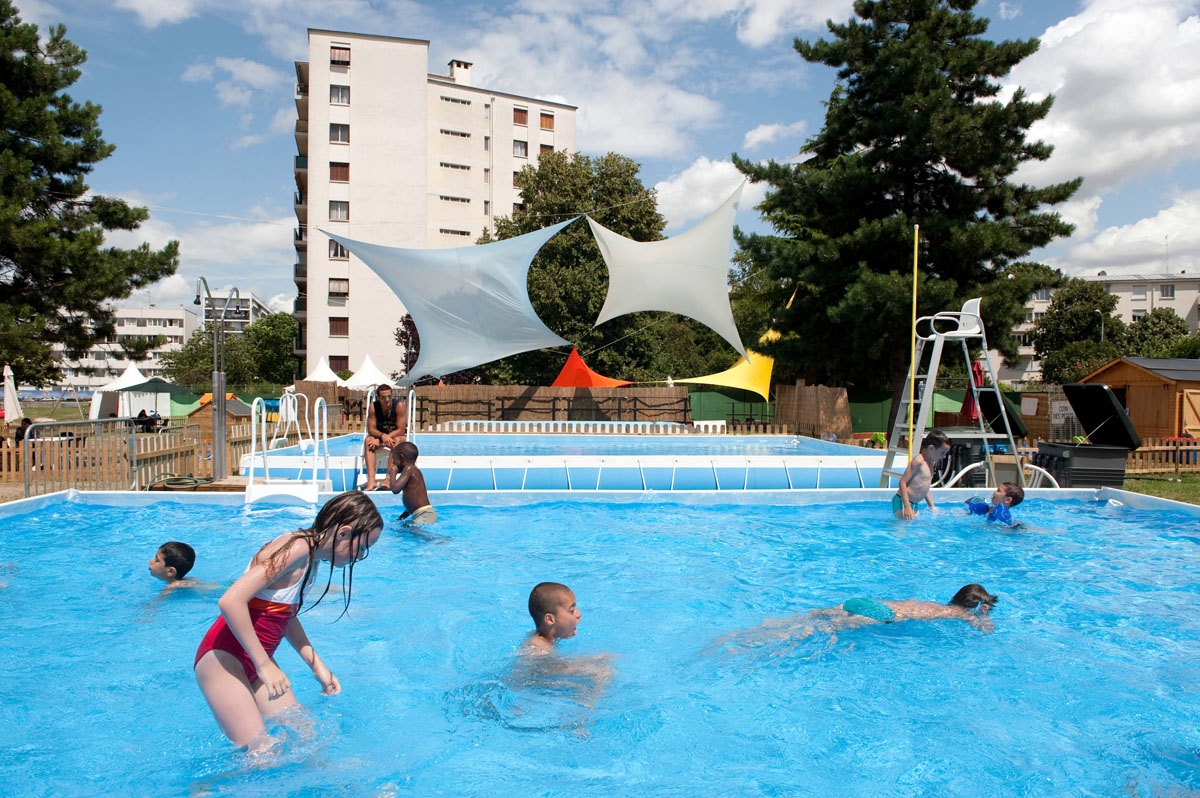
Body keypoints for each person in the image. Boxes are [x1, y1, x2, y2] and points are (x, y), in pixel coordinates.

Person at [193, 491, 384, 750]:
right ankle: (203, 790)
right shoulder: (297, 548)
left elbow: (285, 616)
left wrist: (317, 666)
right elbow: (230, 600)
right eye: (361, 548)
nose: (359, 557)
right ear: (343, 533)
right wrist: (264, 666)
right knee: (262, 752)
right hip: (224, 658)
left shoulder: (310, 556)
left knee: (307, 735)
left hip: (253, 659)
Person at [708, 583, 998, 655]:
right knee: (811, 632)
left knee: (806, 619)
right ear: (971, 605)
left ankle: (742, 633)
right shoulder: (959, 613)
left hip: (869, 601)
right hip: (882, 615)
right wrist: (983, 616)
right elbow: (986, 631)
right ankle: (742, 647)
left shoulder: (934, 602)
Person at [894, 430, 952, 519]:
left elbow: (924, 487)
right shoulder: (918, 461)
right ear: (931, 448)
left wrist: (931, 506)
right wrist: (907, 506)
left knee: (913, 530)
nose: (944, 456)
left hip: (913, 504)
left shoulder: (931, 463)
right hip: (903, 502)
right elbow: (902, 483)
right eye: (942, 452)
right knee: (902, 529)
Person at [363, 383, 406, 490]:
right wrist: (381, 437)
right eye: (383, 397)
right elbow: (371, 429)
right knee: (368, 440)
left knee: (396, 440)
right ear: (378, 397)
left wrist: (385, 437)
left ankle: (388, 478)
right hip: (380, 436)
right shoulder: (373, 407)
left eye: (389, 396)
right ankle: (372, 481)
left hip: (396, 436)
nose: (387, 399)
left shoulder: (399, 406)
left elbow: (401, 430)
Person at [523, 581, 582, 653]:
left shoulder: (543, 637)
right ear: (550, 619)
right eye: (571, 611)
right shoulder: (539, 653)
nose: (579, 614)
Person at [388, 441, 436, 525]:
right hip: (422, 514)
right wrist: (400, 518)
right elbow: (411, 504)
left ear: (401, 457)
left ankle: (441, 539)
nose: (393, 463)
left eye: (394, 459)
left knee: (416, 533)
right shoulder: (411, 470)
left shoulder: (409, 469)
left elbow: (395, 489)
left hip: (425, 515)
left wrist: (392, 474)